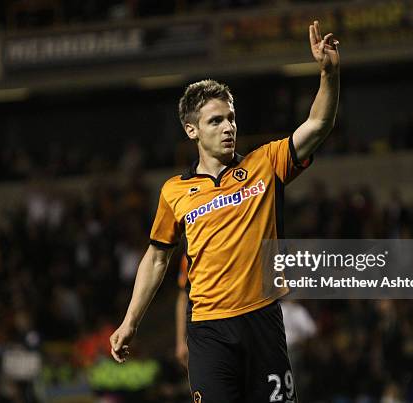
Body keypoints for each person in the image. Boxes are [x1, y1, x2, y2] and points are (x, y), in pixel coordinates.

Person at [110, 20, 340, 403]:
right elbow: (156, 259)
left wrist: (328, 74)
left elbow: (319, 124)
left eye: (231, 117)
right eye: (215, 121)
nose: (227, 127)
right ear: (192, 131)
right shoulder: (174, 192)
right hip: (209, 331)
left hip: (263, 320)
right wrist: (130, 321)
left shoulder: (266, 163)